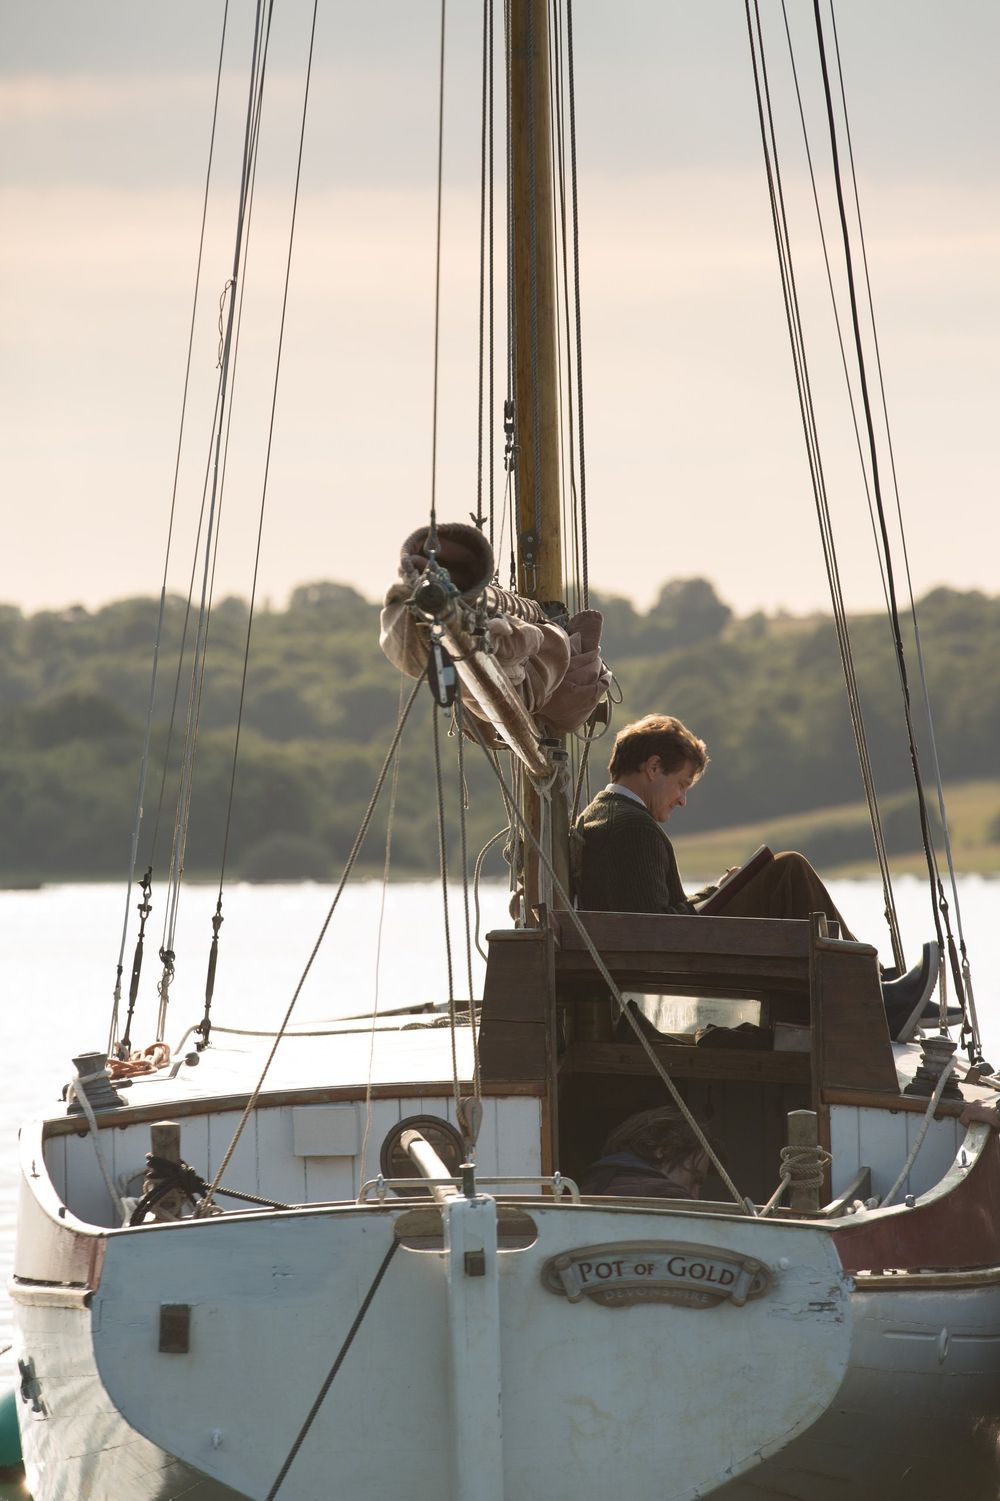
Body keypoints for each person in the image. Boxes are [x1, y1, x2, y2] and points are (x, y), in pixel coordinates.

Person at [574, 713, 943, 1035]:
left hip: (664, 953)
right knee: (787, 871)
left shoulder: (609, 815)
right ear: (653, 768)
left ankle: (876, 986)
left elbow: (653, 916)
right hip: (668, 962)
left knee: (779, 873)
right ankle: (877, 996)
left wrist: (718, 891)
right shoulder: (631, 828)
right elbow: (657, 931)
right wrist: (719, 895)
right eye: (682, 784)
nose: (682, 799)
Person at [580, 1103, 716, 1199]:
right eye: (694, 1179)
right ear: (664, 1150)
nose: (695, 1196)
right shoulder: (668, 1196)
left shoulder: (590, 1186)